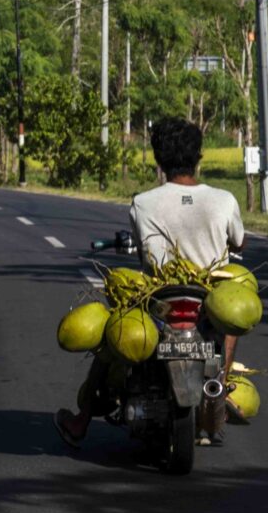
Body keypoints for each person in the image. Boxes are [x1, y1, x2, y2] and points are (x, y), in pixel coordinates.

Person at [54, 117, 245, 448]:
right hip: (207, 299)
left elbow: (142, 245)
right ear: (198, 156)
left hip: (158, 297)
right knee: (230, 323)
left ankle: (81, 421)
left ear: (159, 159)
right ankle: (219, 387)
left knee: (112, 341)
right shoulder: (225, 199)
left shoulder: (143, 202)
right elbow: (240, 242)